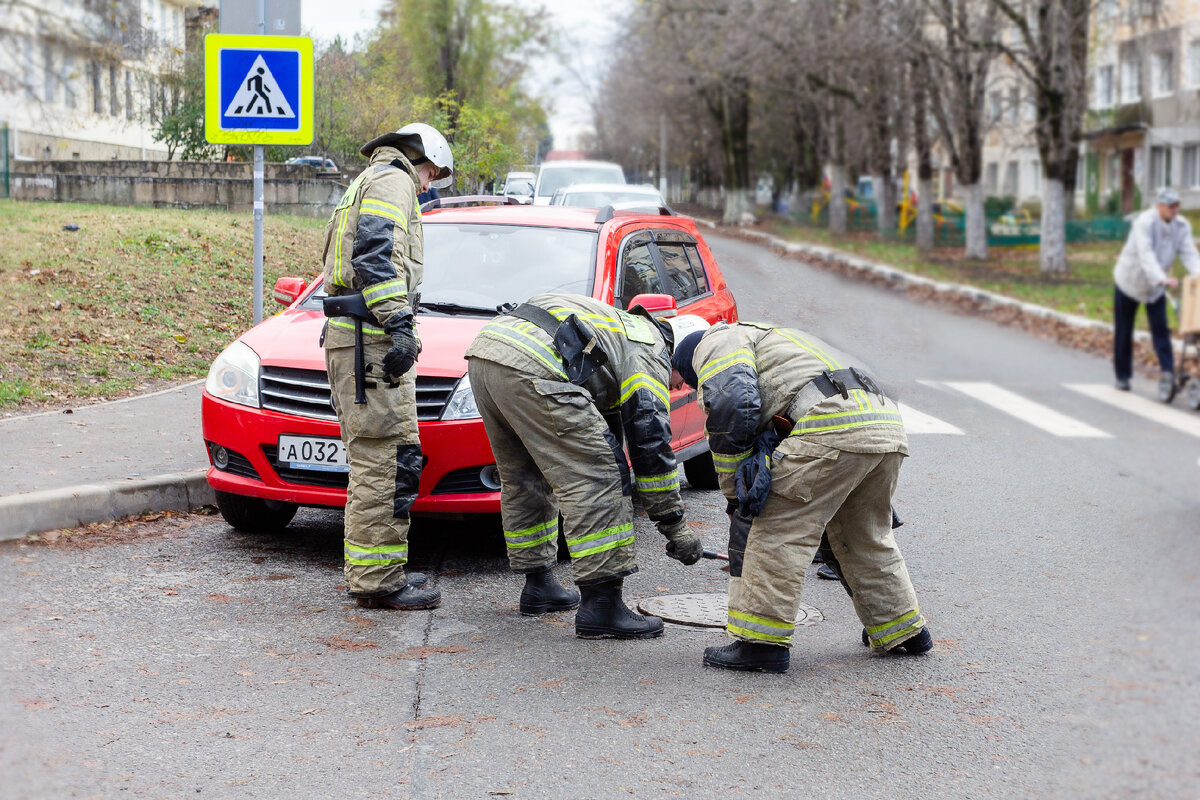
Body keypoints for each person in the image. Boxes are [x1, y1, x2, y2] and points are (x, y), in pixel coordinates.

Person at [672, 321, 933, 673]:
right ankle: (904, 630)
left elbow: (731, 404)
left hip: (832, 422)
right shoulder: (778, 338)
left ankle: (761, 645)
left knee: (778, 528)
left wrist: (736, 494)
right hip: (883, 424)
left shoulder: (714, 342)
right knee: (865, 536)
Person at [464, 296, 707, 639]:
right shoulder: (649, 351)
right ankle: (602, 608)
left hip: (487, 355)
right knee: (601, 480)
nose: (679, 387)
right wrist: (674, 525)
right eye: (684, 378)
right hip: (535, 365)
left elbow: (611, 425)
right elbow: (650, 445)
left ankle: (539, 586)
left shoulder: (623, 329)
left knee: (525, 475)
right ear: (679, 353)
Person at [321, 123, 453, 611]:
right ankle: (377, 582)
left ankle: (380, 570)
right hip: (370, 340)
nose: (427, 186)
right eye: (432, 176)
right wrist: (400, 323)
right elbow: (375, 258)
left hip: (356, 338)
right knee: (385, 462)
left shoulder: (367, 180)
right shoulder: (394, 182)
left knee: (383, 461)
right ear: (424, 159)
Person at [1112, 188, 1200, 393]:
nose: (1174, 209)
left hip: (1157, 287)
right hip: (1130, 281)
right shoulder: (1144, 223)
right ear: (1158, 206)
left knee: (1161, 329)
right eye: (1170, 206)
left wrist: (1198, 274)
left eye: (1177, 205)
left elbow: (1189, 254)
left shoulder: (1182, 225)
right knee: (1124, 330)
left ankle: (1168, 374)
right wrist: (1162, 278)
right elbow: (1146, 255)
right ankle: (1122, 376)